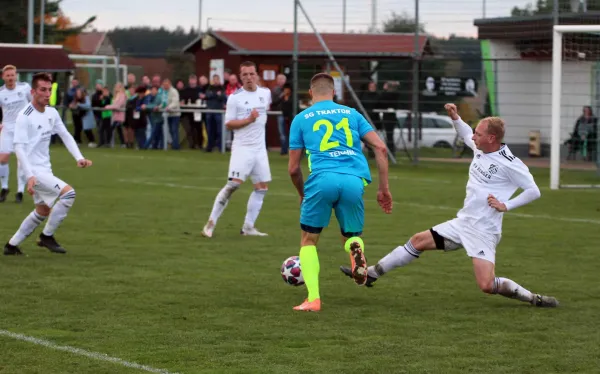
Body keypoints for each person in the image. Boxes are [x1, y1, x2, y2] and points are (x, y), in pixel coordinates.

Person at [340, 103, 559, 308]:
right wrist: (455, 117)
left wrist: (506, 205)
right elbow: (465, 133)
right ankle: (371, 274)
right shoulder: (480, 148)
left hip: (483, 230)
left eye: (479, 134)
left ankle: (534, 298)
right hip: (463, 223)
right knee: (417, 241)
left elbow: (533, 190)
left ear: (492, 138)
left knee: (487, 285)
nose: (474, 137)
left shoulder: (510, 163)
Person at [287, 73, 393, 312]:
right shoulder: (352, 114)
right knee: (351, 235)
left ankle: (313, 298)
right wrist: (383, 188)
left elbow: (293, 169)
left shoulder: (301, 118)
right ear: (333, 93)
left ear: (311, 94)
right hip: (354, 180)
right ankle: (356, 250)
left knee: (309, 240)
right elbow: (381, 147)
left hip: (322, 179)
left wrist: (302, 193)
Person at [3, 73, 93, 256]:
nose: (47, 94)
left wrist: (79, 157)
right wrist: (30, 176)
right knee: (69, 194)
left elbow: (65, 135)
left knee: (42, 210)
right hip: (33, 170)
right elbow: (19, 148)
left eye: (49, 90)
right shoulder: (25, 116)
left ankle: (11, 246)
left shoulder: (51, 112)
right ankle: (46, 236)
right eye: (43, 90)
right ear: (33, 92)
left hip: (45, 169)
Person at [201, 61, 272, 238]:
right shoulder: (235, 98)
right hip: (242, 148)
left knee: (261, 188)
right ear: (240, 77)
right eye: (245, 74)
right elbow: (229, 124)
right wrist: (248, 120)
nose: (249, 77)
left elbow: (264, 116)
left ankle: (248, 227)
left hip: (260, 150)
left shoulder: (266, 93)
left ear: (256, 75)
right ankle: (210, 224)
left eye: (251, 74)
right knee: (233, 185)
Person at [0, 65, 32, 203]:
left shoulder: (25, 87)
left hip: (22, 128)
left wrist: (28, 118)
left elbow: (33, 104)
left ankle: (20, 191)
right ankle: (5, 187)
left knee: (21, 160)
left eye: (12, 75)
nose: (10, 78)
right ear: (3, 77)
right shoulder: (1, 93)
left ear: (16, 75)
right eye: (7, 76)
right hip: (7, 128)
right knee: (2, 159)